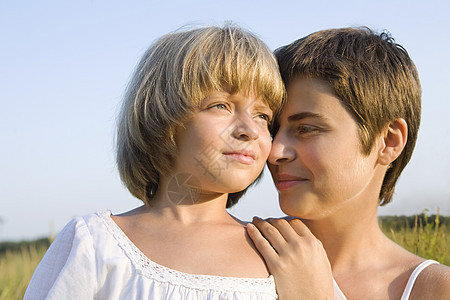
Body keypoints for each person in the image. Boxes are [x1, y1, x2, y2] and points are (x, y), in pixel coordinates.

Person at [25, 24, 287, 299]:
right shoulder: (94, 244)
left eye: (263, 116)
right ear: (161, 118)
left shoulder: (281, 250)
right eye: (220, 105)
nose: (251, 129)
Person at [247, 27, 450, 299]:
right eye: (273, 130)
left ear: (389, 141)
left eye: (306, 128)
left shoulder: (434, 290)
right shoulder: (238, 259)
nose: (275, 152)